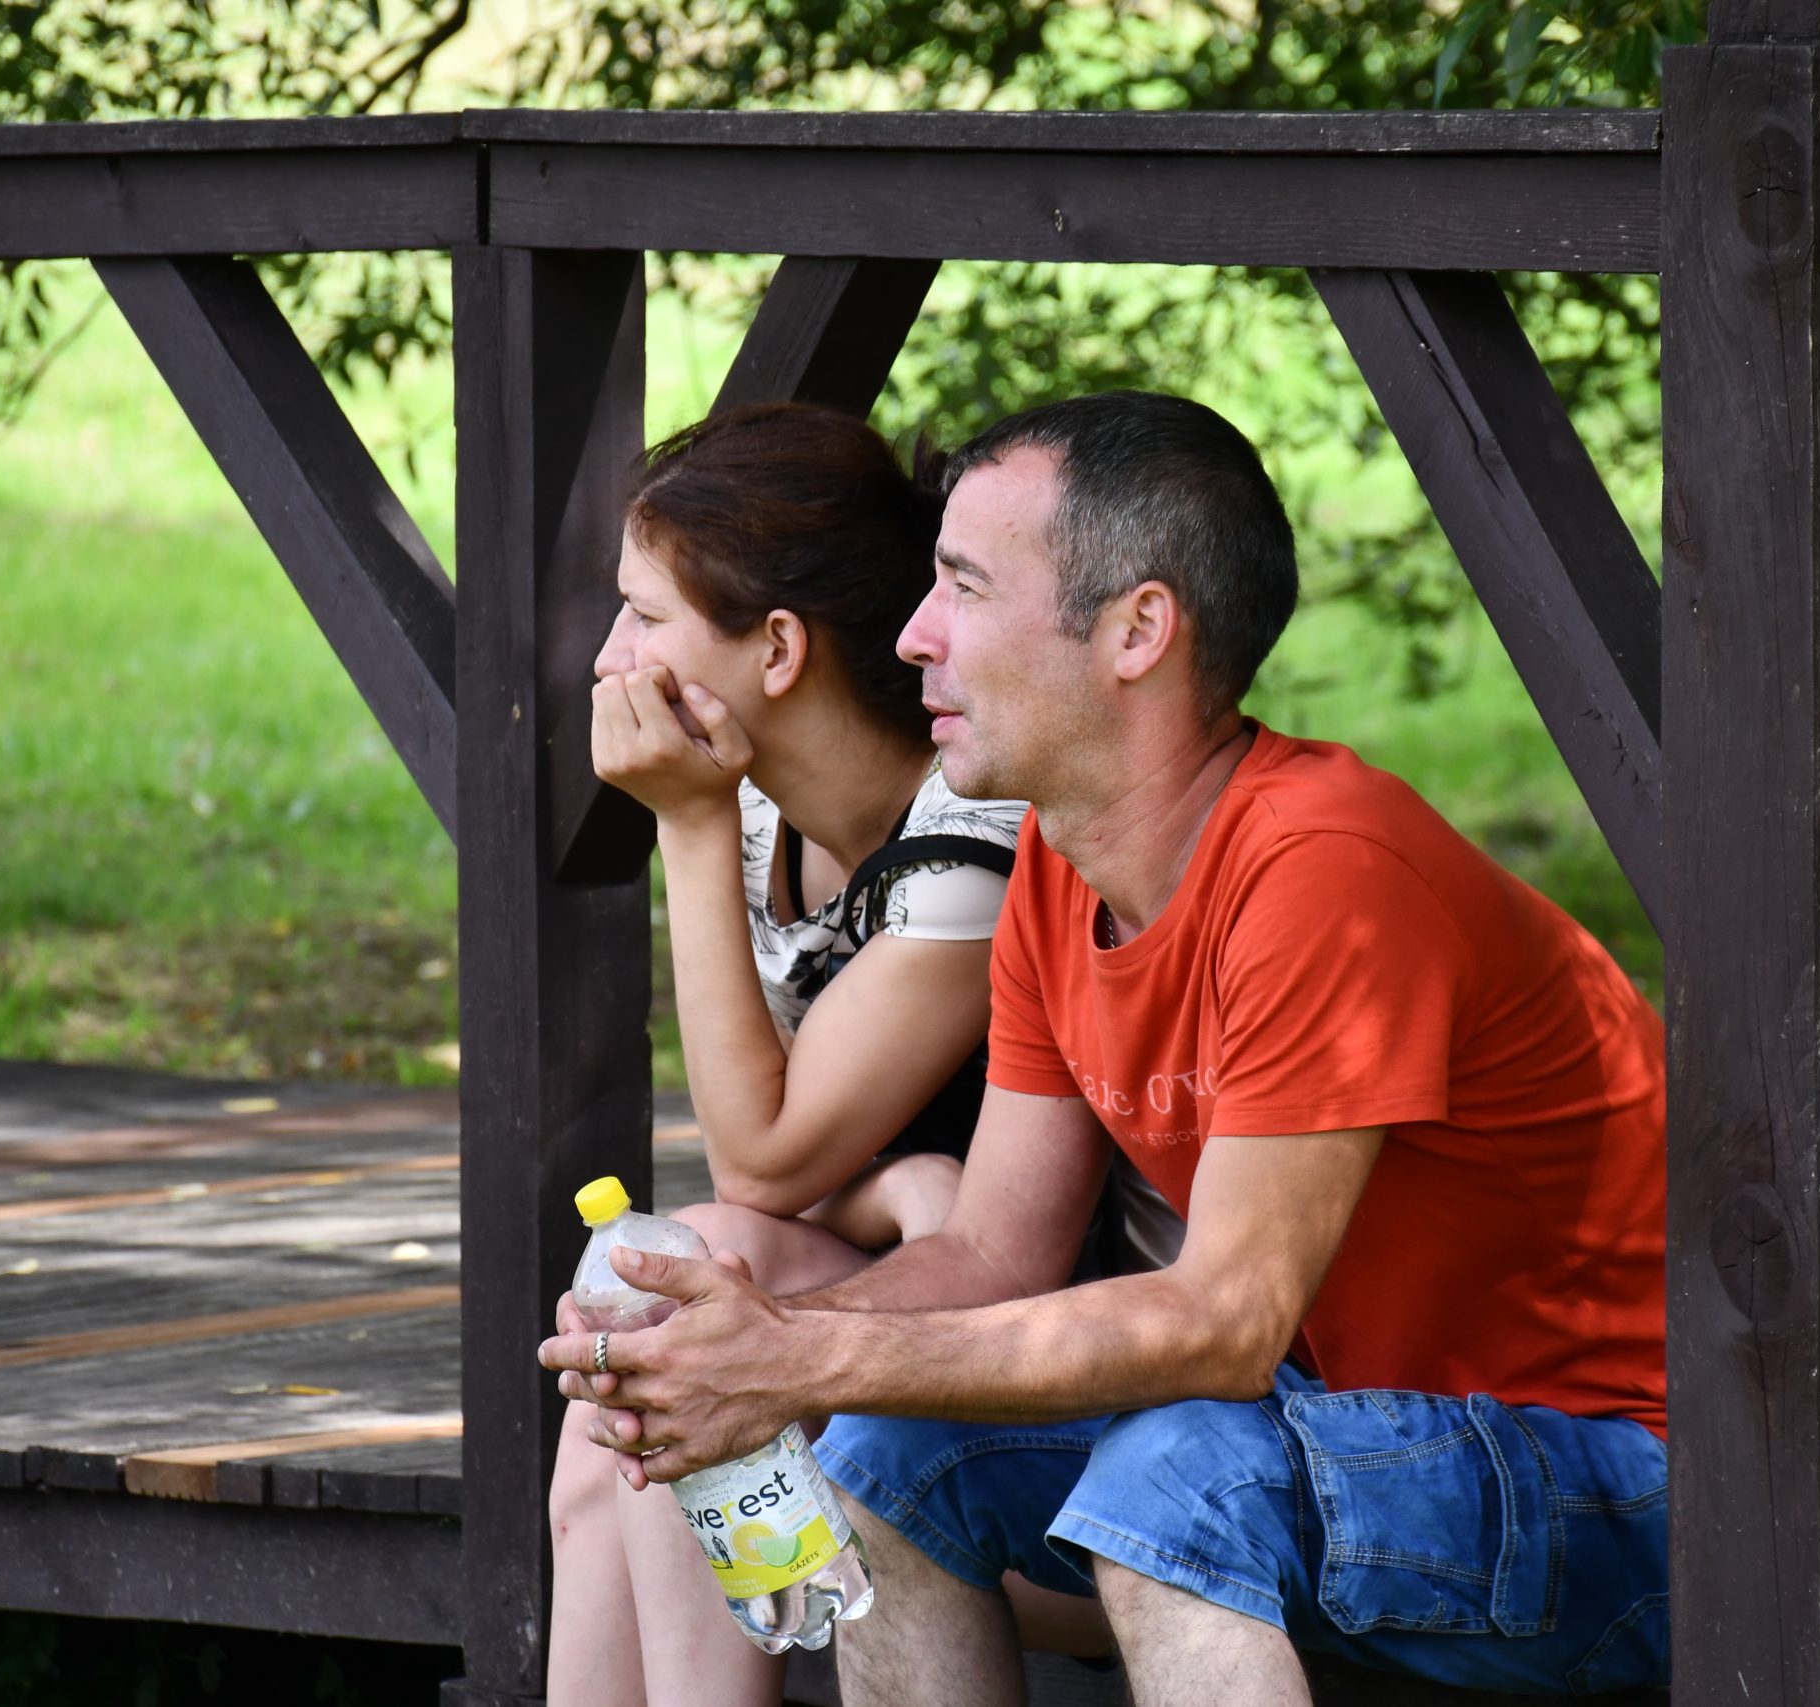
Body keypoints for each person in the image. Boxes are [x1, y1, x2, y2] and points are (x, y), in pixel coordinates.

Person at [542, 391, 1671, 1705]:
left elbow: (1226, 1324)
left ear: (1138, 631)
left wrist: (797, 1357)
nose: (911, 635)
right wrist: (738, 1344)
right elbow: (992, 1256)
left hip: (1632, 1480)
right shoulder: (1060, 868)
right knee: (885, 1461)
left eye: (965, 586)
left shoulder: (1324, 869)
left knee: (1183, 1480)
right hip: (1361, 1446)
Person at [546, 403, 1033, 1707]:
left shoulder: (971, 848)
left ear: (777, 647)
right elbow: (800, 1172)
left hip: (1041, 1344)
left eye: (644, 617)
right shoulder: (766, 804)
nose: (608, 660)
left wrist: (688, 827)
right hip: (879, 1265)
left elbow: (759, 1166)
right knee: (620, 1389)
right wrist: (885, 1192)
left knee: (685, 1301)